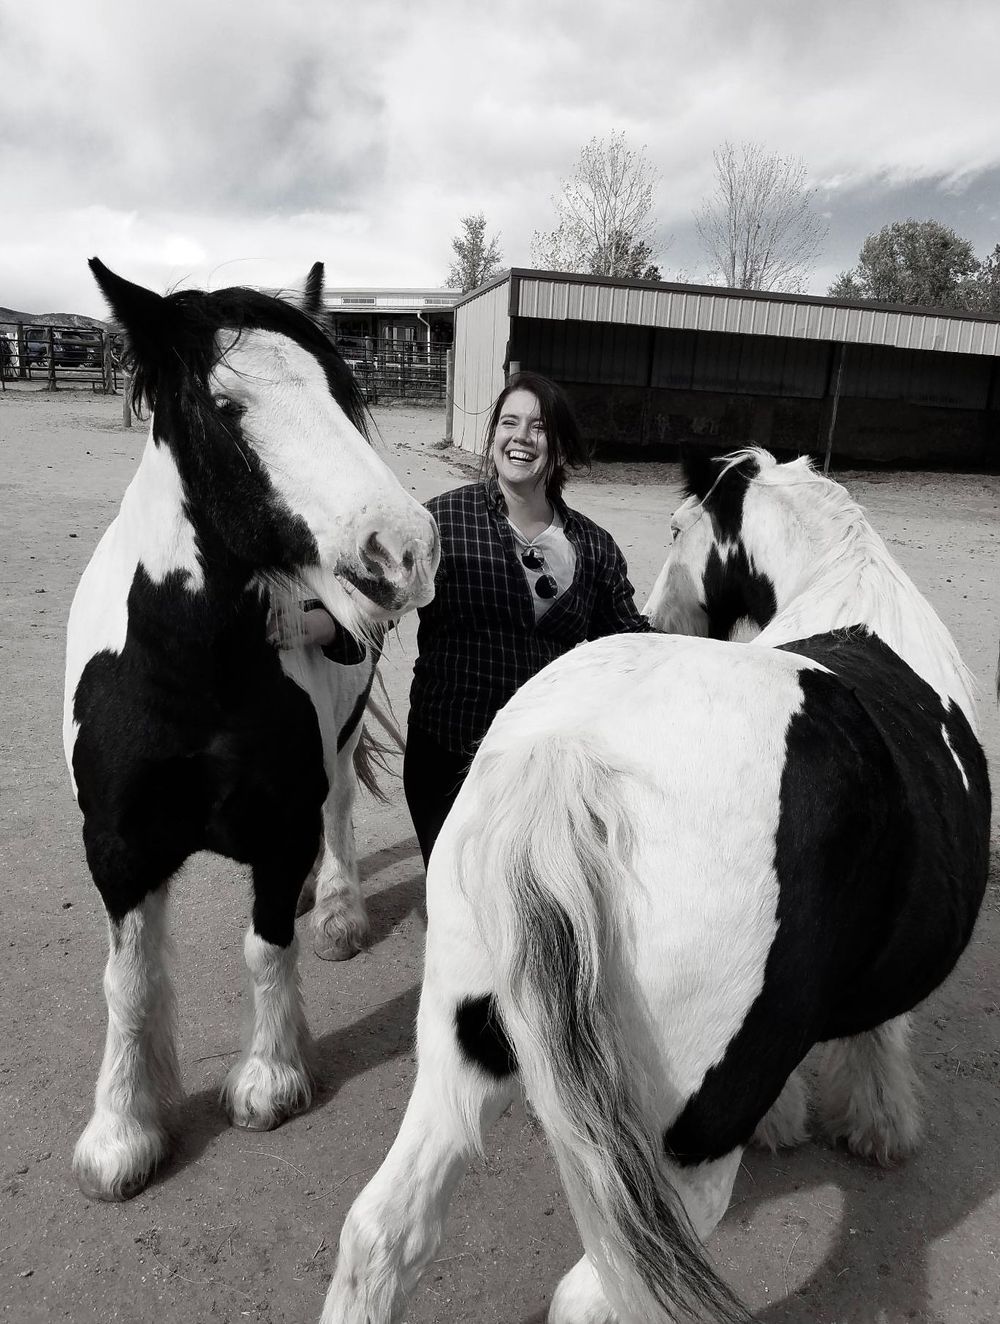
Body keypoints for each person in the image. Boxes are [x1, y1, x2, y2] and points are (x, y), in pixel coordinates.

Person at [404, 370, 649, 866]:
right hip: (448, 752)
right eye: (508, 422)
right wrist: (319, 625)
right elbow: (380, 600)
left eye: (537, 427)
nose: (520, 437)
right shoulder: (441, 521)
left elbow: (630, 645)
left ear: (558, 450)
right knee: (458, 900)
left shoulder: (593, 545)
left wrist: (704, 648)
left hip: (541, 767)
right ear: (493, 436)